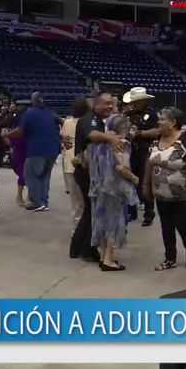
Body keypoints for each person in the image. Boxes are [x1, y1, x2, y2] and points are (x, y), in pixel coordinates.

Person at [144, 107, 186, 271]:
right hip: (161, 194)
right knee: (166, 225)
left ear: (173, 123)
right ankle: (170, 258)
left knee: (182, 223)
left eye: (162, 119)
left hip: (184, 193)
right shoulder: (157, 140)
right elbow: (150, 162)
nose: (158, 122)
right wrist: (146, 184)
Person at [69, 91, 121, 262]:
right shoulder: (88, 119)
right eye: (106, 103)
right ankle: (87, 249)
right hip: (86, 173)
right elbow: (91, 135)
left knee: (89, 212)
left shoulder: (100, 120)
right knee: (93, 213)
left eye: (111, 104)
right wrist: (110, 138)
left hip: (94, 172)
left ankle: (77, 247)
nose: (110, 106)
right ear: (96, 104)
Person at [88, 114, 139, 271]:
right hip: (114, 189)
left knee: (101, 222)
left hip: (98, 187)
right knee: (114, 223)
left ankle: (104, 256)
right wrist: (135, 178)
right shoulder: (122, 144)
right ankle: (109, 259)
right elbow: (121, 167)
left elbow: (82, 160)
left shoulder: (98, 144)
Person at [4, 92, 60, 212]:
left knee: (31, 175)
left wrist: (7, 134)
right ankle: (44, 201)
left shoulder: (30, 113)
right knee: (45, 176)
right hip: (53, 150)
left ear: (32, 101)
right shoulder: (49, 112)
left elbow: (19, 131)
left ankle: (36, 202)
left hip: (37, 149)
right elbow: (61, 121)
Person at [123, 87, 159, 226]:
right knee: (130, 181)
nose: (134, 104)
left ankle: (149, 213)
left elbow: (157, 132)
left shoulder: (152, 114)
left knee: (146, 182)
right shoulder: (128, 115)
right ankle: (131, 210)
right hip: (130, 151)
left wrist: (140, 134)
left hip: (146, 151)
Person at [61, 97, 89, 229]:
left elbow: (64, 138)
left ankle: (77, 228)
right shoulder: (88, 122)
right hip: (84, 162)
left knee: (75, 201)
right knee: (86, 201)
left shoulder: (67, 122)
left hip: (69, 163)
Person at [5, 104, 28, 206]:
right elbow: (10, 142)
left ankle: (30, 196)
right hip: (18, 153)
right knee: (23, 175)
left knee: (29, 175)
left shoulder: (28, 127)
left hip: (28, 152)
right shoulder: (15, 127)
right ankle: (19, 196)